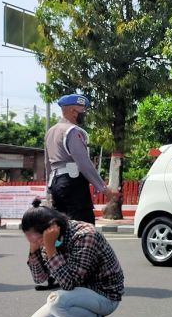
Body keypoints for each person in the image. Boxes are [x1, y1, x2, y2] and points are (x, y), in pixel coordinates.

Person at [22, 199, 124, 317]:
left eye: (38, 239)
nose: (38, 243)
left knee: (56, 302)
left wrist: (50, 248)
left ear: (51, 228)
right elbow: (40, 279)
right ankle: (84, 315)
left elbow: (69, 283)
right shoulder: (46, 241)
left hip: (104, 296)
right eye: (31, 239)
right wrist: (33, 250)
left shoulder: (85, 236)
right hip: (74, 295)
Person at [44, 94, 119, 225]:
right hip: (72, 184)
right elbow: (84, 164)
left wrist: (49, 187)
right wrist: (103, 189)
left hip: (56, 183)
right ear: (73, 111)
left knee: (61, 227)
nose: (84, 114)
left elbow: (47, 164)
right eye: (83, 110)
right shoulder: (73, 131)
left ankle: (58, 246)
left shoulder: (50, 132)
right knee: (84, 226)